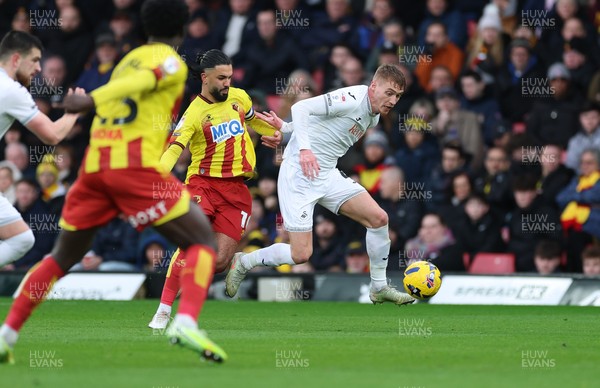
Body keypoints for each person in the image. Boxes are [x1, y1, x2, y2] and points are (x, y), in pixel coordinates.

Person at [0, 0, 227, 365]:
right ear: (182, 30)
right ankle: (185, 321)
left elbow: (126, 87)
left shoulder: (126, 59)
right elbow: (142, 82)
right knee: (202, 240)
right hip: (133, 168)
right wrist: (88, 101)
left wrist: (93, 98)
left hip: (94, 168)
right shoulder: (169, 61)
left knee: (61, 257)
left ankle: (5, 335)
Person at [225, 64, 416, 306]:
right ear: (374, 86)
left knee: (379, 219)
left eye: (397, 96)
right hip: (299, 174)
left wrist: (285, 129)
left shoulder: (374, 116)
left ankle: (378, 287)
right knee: (301, 254)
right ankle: (244, 262)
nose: (393, 100)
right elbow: (301, 107)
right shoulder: (352, 97)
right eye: (389, 92)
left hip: (326, 174)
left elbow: (317, 121)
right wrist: (303, 149)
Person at [147, 49, 281, 329]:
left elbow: (252, 119)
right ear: (204, 78)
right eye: (222, 78)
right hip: (203, 184)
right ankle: (163, 309)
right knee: (192, 242)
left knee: (219, 262)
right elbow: (174, 148)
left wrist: (272, 132)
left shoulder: (239, 97)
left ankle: (200, 288)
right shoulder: (194, 113)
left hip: (237, 190)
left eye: (230, 77)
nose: (227, 83)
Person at [0, 30, 84, 270]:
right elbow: (53, 135)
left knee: (21, 238)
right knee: (20, 239)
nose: (39, 68)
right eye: (35, 60)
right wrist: (74, 111)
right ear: (16, 59)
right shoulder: (12, 90)